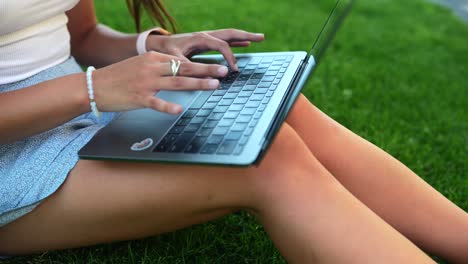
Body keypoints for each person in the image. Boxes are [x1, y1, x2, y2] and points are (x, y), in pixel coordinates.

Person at [0, 0, 467, 263]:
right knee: (263, 161)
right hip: (17, 156)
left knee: (276, 106)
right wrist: (91, 89)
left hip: (85, 104)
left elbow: (78, 36)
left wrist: (157, 46)